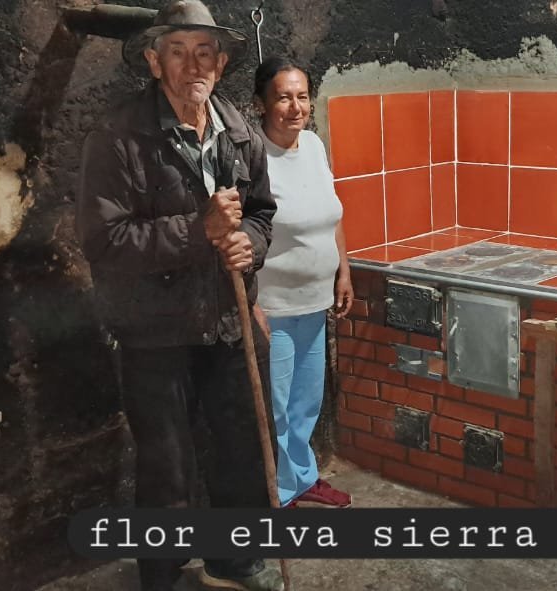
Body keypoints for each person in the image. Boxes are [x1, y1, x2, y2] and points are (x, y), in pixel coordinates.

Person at [75, 2, 282, 590]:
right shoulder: (118, 136)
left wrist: (248, 244)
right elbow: (103, 241)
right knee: (166, 466)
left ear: (221, 63)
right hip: (155, 330)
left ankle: (232, 559)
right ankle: (162, 575)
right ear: (153, 60)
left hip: (229, 319)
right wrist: (200, 231)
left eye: (205, 52)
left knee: (241, 450)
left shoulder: (238, 132)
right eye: (178, 51)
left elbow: (261, 213)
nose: (194, 64)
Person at [252, 57, 354, 509]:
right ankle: (278, 490)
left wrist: (343, 270)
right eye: (283, 98)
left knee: (306, 401)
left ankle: (303, 478)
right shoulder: (252, 155)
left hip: (315, 301)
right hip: (272, 305)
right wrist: (251, 301)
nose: (295, 107)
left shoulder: (312, 145)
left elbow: (332, 212)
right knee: (273, 406)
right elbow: (242, 233)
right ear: (261, 103)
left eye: (302, 97)